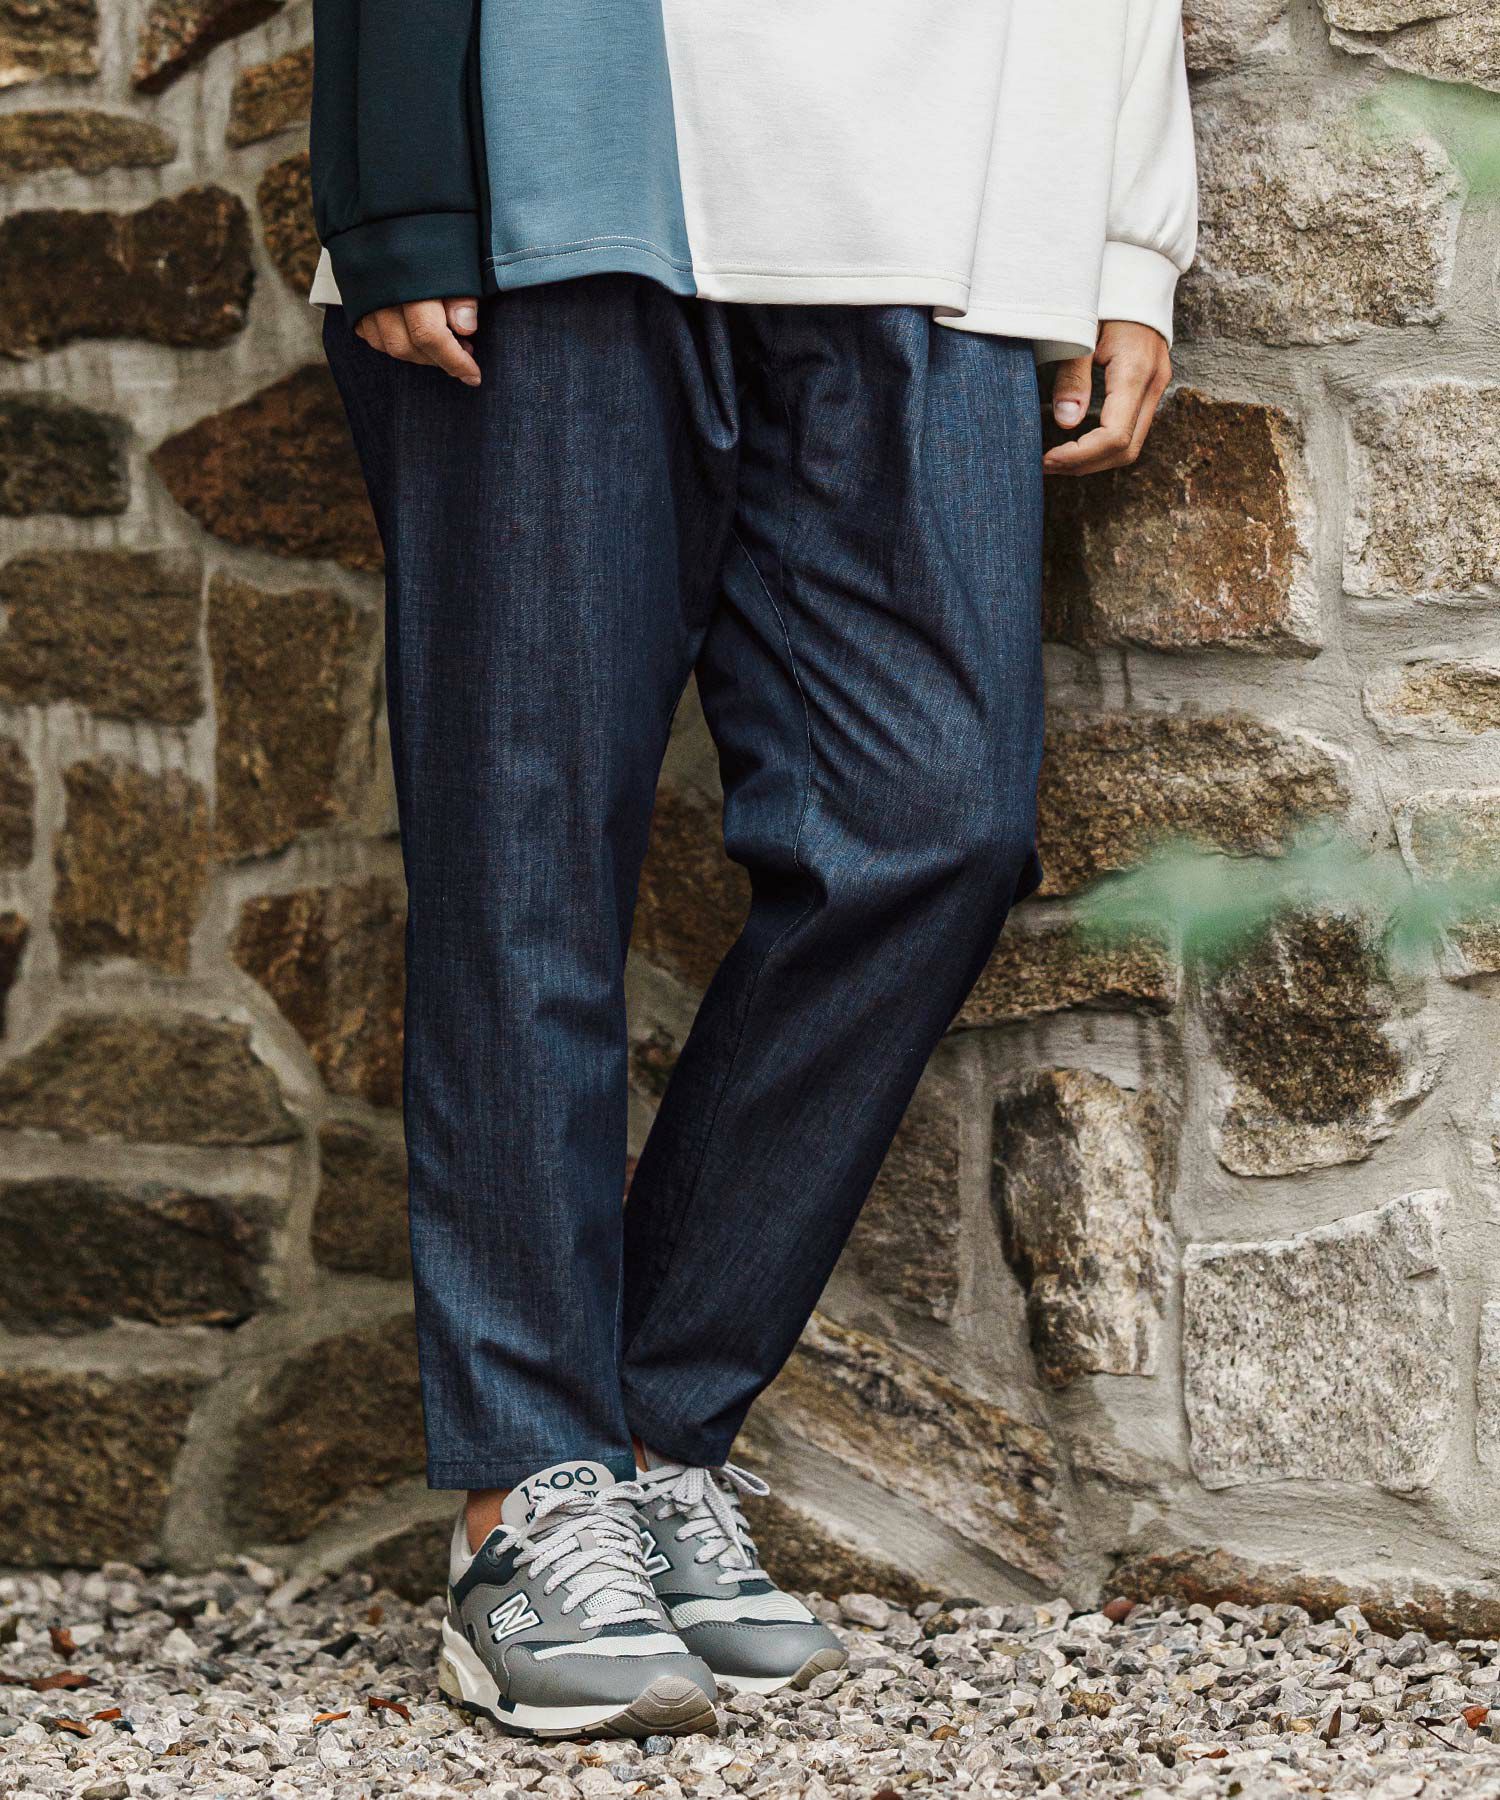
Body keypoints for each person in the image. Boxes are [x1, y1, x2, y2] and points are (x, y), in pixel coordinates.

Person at [310, 0, 1197, 1742]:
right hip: (559, 172)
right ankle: (526, 1494)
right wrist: (396, 179)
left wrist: (1123, 233)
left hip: (942, 204)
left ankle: (641, 1435)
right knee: (525, 852)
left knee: (933, 819)